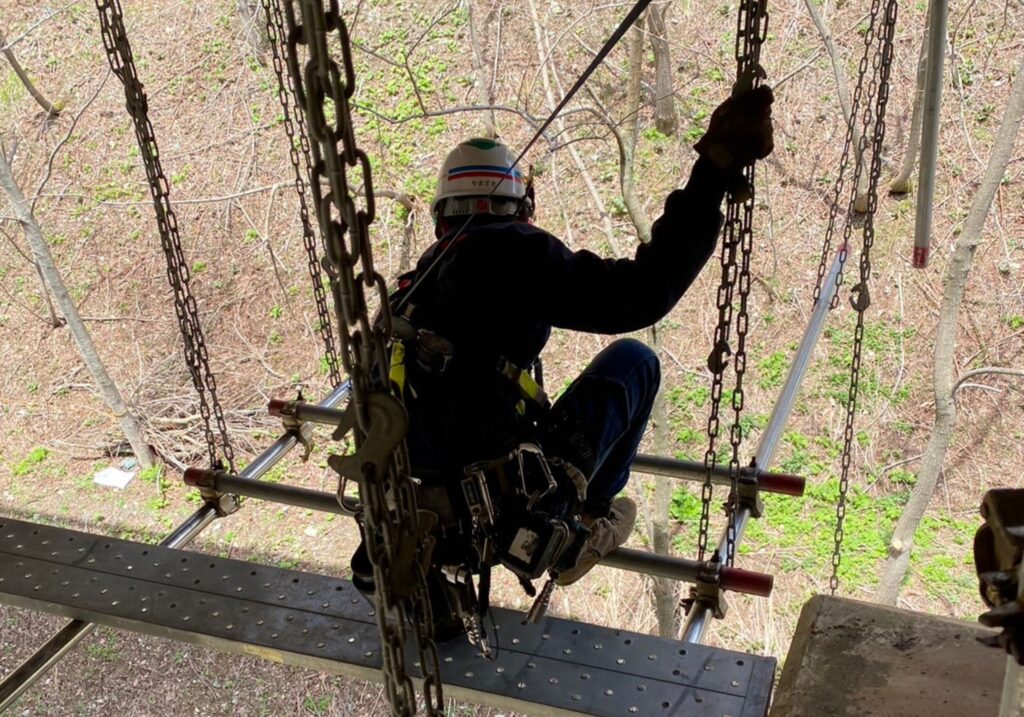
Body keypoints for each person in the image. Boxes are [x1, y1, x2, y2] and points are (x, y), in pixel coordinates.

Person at [357, 84, 774, 614]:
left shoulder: (409, 291)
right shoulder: (509, 249)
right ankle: (583, 523)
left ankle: (539, 522)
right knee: (635, 362)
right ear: (519, 209)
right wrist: (714, 169)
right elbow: (641, 294)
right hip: (506, 507)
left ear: (443, 215)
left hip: (423, 506)